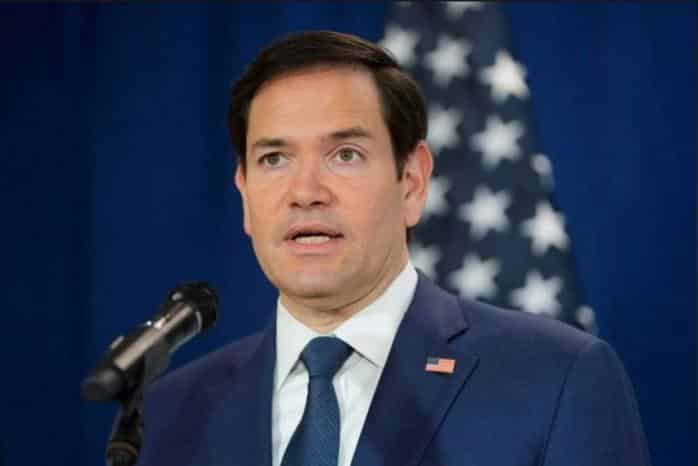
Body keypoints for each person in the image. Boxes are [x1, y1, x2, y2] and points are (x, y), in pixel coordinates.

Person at [135, 31, 651, 466]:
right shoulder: (172, 412)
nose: (305, 191)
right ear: (244, 193)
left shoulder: (557, 379)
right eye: (274, 159)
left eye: (345, 154)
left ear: (412, 182)